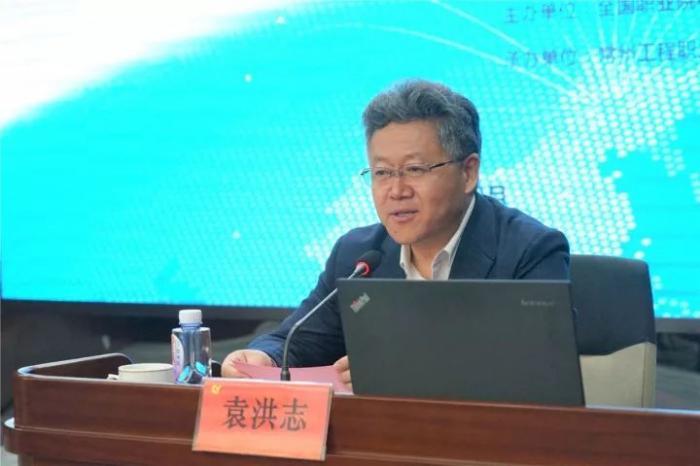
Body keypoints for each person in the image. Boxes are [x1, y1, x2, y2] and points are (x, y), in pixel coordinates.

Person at [222, 79, 569, 387]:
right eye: (382, 173)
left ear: (468, 172)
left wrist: (411, 369)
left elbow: (541, 371)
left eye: (415, 169)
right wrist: (263, 358)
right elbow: (297, 340)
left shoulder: (529, 250)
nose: (396, 190)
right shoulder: (358, 256)